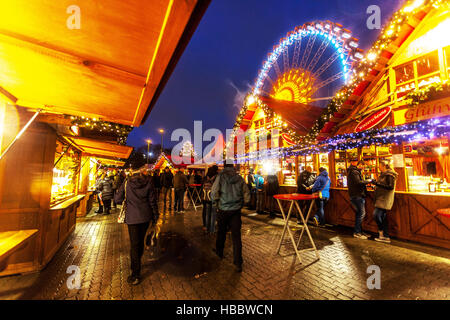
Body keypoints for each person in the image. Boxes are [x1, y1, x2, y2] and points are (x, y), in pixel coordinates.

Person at [114, 164, 159, 285]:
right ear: (142, 171)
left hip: (132, 217)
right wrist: (155, 216)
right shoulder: (149, 181)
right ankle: (137, 264)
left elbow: (117, 199)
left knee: (135, 244)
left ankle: (135, 274)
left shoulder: (127, 182)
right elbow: (152, 200)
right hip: (145, 216)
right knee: (140, 241)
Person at [211, 161, 250, 273]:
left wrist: (216, 204)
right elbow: (246, 193)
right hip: (235, 211)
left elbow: (214, 192)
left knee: (221, 232)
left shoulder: (220, 177)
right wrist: (244, 203)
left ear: (224, 166)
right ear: (232, 167)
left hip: (223, 209)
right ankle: (238, 262)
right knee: (236, 237)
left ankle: (219, 252)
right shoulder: (239, 178)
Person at [372, 160, 398, 244]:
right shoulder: (384, 175)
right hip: (381, 197)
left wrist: (376, 184)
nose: (379, 167)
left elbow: (390, 187)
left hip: (385, 198)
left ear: (384, 166)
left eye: (379, 166)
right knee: (382, 217)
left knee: (376, 215)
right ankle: (384, 236)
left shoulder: (390, 175)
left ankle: (383, 234)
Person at [347, 159, 371, 239]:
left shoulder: (353, 171)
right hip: (357, 195)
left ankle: (360, 231)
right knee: (361, 213)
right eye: (363, 166)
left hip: (356, 195)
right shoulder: (354, 172)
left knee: (359, 213)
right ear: (359, 164)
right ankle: (357, 232)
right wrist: (368, 181)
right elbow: (358, 182)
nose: (364, 168)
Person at [202, 165, 219, 234]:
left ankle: (207, 228)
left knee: (207, 214)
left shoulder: (206, 177)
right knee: (213, 214)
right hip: (213, 197)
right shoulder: (216, 177)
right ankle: (212, 229)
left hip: (206, 197)